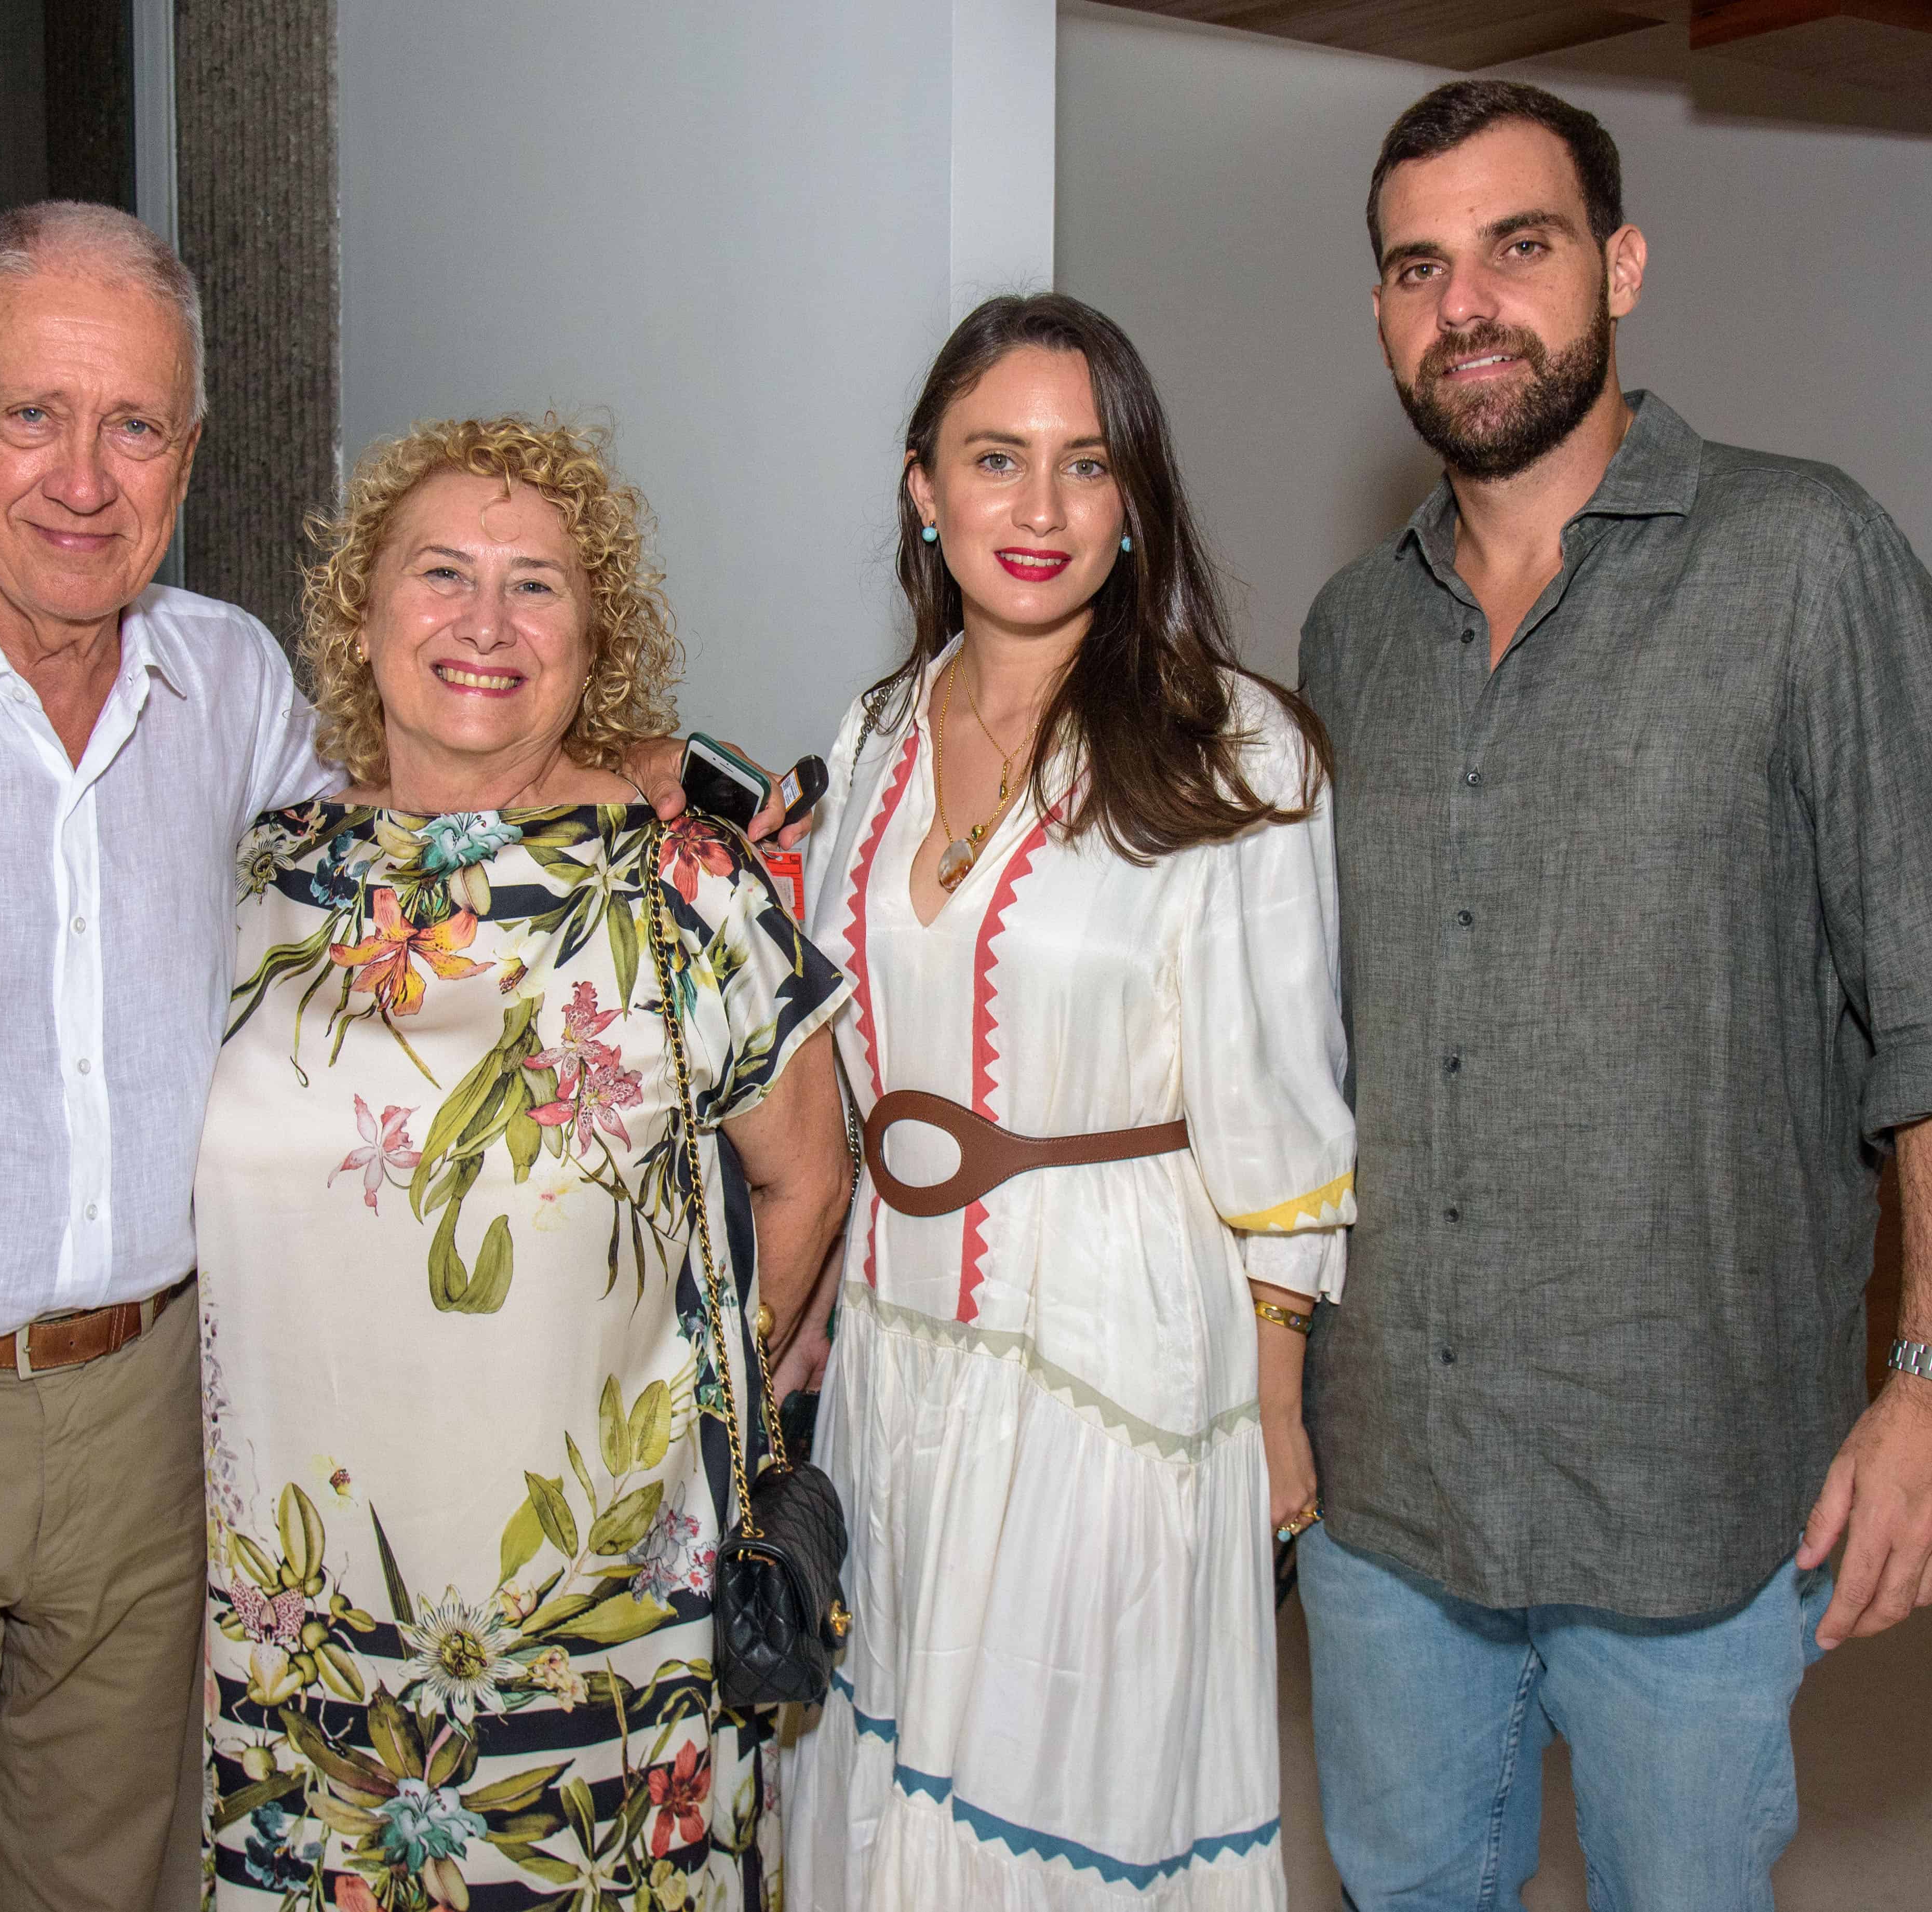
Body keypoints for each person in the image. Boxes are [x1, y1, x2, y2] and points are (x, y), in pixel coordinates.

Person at [0, 205, 728, 1911]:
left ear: (186, 451)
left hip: (156, 1428)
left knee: (100, 1889)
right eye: (33, 416)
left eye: (135, 425)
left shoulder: (228, 682)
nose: (82, 477)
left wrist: (644, 756)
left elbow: (445, 760)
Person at [1294, 81, 1932, 1910]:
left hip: (1694, 1494)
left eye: (1520, 245)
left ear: (1621, 266)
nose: (1465, 301)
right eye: (1419, 266)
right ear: (1385, 314)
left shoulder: (1806, 562)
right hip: (1389, 1487)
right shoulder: (1348, 635)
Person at [187, 416, 854, 1909]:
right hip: (306, 1642)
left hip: (607, 1640)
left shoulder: (683, 884)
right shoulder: (256, 878)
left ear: (592, 638)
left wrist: (703, 1398)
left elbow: (811, 1174)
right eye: (442, 574)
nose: (485, 623)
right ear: (362, 616)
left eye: (537, 585)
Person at [781, 294, 1356, 1910]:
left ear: (1134, 504)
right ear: (924, 490)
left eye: (1085, 465)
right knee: (886, 1757)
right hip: (898, 1344)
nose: (1037, 511)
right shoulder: (876, 732)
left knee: (1070, 1787)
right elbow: (828, 1043)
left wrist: (1279, 1400)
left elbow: (1286, 1103)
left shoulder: (1236, 747)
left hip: (1116, 1354)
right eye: (995, 459)